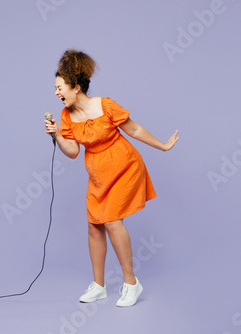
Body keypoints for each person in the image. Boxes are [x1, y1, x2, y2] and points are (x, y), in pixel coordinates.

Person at [44, 49, 179, 307]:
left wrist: (162, 146)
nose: (56, 93)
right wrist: (57, 135)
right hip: (98, 174)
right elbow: (72, 152)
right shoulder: (65, 116)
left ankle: (131, 283)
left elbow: (134, 129)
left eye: (59, 88)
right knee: (94, 225)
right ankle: (99, 285)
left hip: (124, 167)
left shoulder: (105, 105)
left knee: (112, 221)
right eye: (55, 88)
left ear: (75, 87)